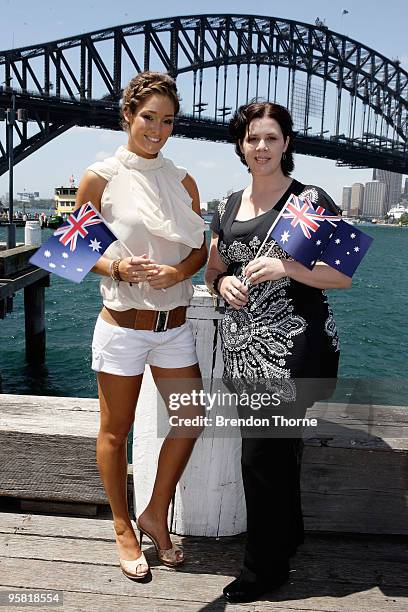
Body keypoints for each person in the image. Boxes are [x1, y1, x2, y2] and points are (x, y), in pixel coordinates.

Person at [205, 101, 351, 603]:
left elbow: (342, 276)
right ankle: (287, 539)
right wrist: (222, 281)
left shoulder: (309, 199)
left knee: (259, 457)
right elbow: (212, 268)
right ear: (240, 146)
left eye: (271, 138)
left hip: (295, 350)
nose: (261, 148)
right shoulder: (228, 205)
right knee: (279, 452)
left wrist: (288, 268)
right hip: (245, 351)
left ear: (287, 143)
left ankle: (263, 570)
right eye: (252, 139)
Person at [76, 71, 207, 581]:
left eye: (167, 120)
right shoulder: (100, 177)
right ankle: (123, 526)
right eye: (148, 117)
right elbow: (71, 251)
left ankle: (155, 511)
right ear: (128, 115)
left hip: (173, 325)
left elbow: (200, 246)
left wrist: (178, 272)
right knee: (116, 431)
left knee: (192, 418)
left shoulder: (184, 181)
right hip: (123, 327)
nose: (157, 129)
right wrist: (115, 267)